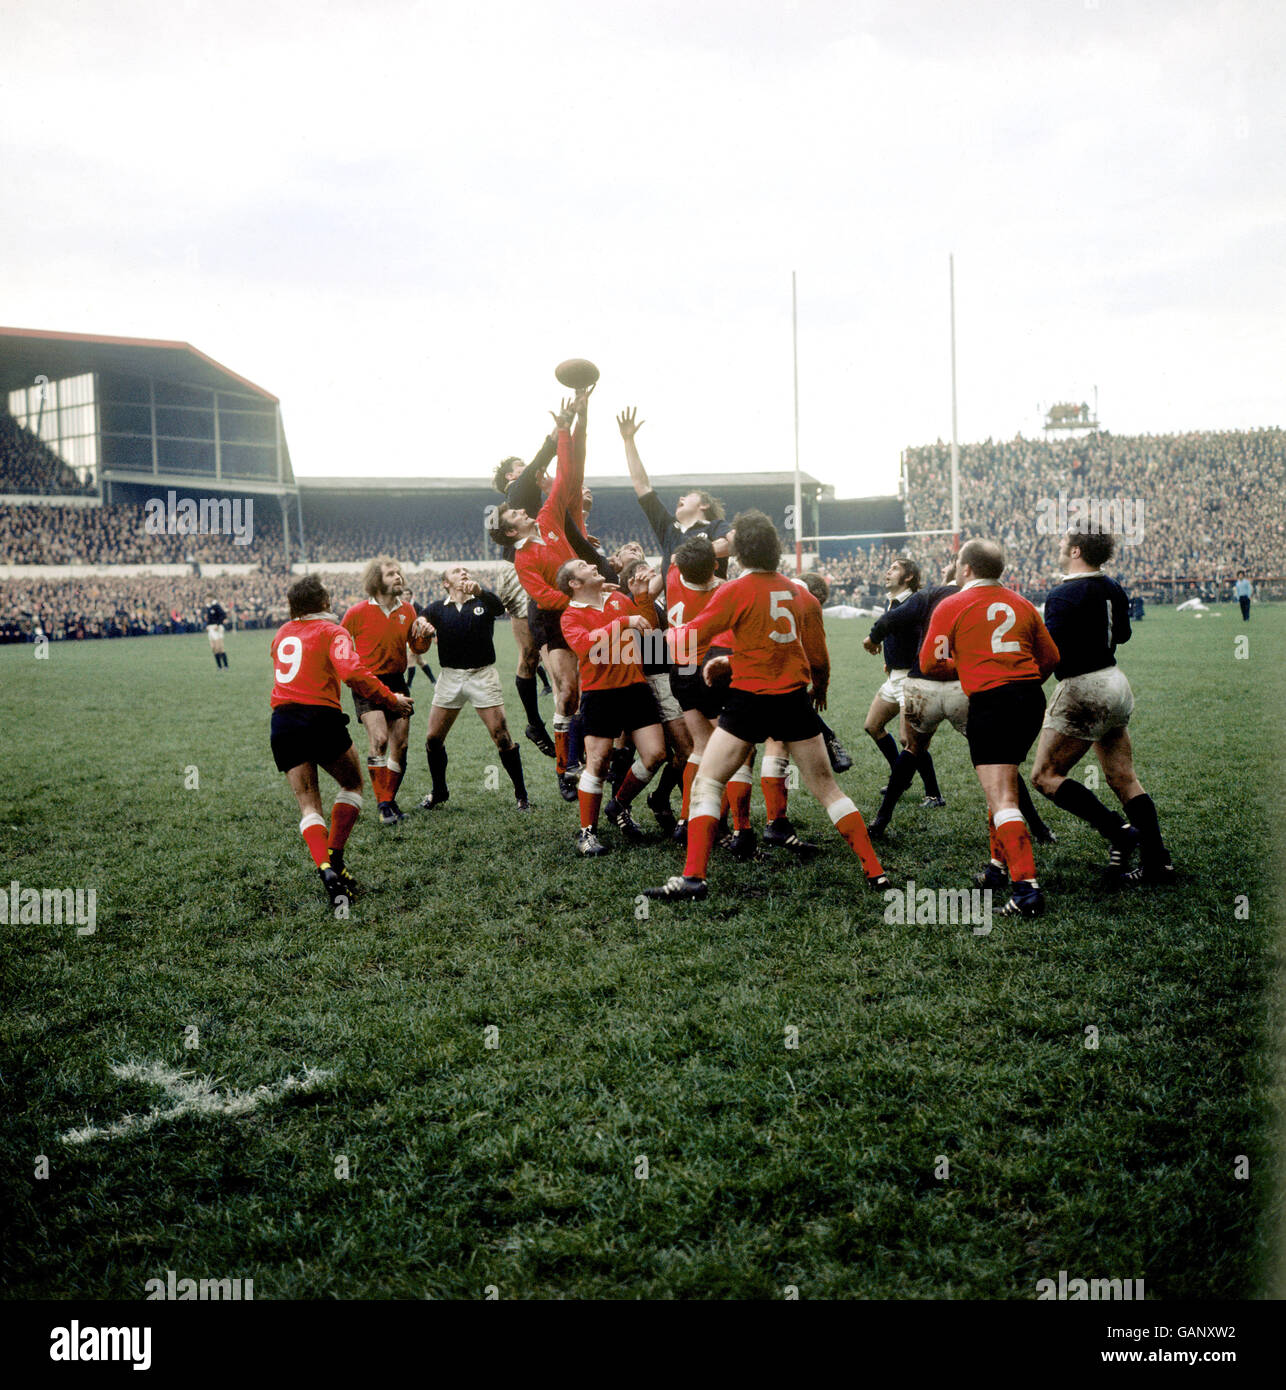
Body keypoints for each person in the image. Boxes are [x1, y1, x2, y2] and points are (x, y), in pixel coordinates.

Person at [643, 511, 888, 902]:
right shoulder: (802, 594)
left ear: (738, 554)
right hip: (793, 699)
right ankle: (875, 872)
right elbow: (818, 658)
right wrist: (819, 688)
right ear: (778, 550)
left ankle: (693, 878)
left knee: (709, 780)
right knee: (828, 789)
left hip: (748, 702)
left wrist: (645, 645)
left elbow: (693, 636)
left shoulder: (734, 590)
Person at [864, 560, 1055, 842]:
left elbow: (893, 621)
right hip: (961, 686)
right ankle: (1038, 828)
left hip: (922, 683)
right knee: (997, 759)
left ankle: (881, 819)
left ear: (958, 572)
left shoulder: (929, 595)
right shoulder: (985, 598)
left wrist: (872, 638)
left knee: (912, 748)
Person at [920, 538, 1059, 919]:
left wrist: (967, 668)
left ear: (966, 569)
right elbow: (1050, 657)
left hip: (992, 703)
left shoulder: (952, 603)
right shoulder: (1022, 603)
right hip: (1030, 699)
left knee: (1000, 794)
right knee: (1001, 784)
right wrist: (1023, 679)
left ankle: (1027, 889)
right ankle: (998, 866)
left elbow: (929, 663)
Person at [1030, 531, 1175, 886]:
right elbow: (1122, 635)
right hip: (1115, 682)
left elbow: (1050, 653)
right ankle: (1158, 861)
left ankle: (1117, 831)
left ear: (1076, 550)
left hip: (1083, 689)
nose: (1059, 548)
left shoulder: (1063, 593)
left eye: (1064, 543)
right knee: (1123, 777)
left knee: (1045, 776)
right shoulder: (1113, 586)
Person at [269, 573, 413, 909]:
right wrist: (391, 699)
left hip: (283, 721)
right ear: (323, 602)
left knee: (308, 802)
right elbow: (351, 672)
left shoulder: (281, 634)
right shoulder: (333, 631)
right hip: (320, 717)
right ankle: (335, 858)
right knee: (351, 784)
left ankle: (325, 869)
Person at [489, 390, 591, 801]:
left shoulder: (547, 518)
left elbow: (566, 476)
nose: (522, 510)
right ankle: (565, 768)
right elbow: (545, 596)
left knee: (588, 692)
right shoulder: (522, 557)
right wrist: (579, 602)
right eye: (516, 514)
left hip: (585, 608)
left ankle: (592, 758)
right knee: (567, 691)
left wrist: (567, 430)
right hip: (555, 618)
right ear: (511, 529)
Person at [557, 556, 668, 856]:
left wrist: (643, 599)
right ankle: (587, 834)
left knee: (656, 754)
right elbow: (585, 646)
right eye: (582, 566)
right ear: (574, 584)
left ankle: (618, 804)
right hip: (600, 693)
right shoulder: (570, 615)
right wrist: (622, 622)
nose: (592, 566)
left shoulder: (619, 598)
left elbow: (649, 630)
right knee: (598, 760)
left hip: (635, 687)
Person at [416, 566, 531, 812]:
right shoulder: (438, 608)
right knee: (433, 739)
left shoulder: (482, 601)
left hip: (482, 675)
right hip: (450, 677)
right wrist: (422, 625)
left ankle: (521, 795)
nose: (463, 573)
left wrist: (480, 591)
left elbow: (500, 609)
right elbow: (421, 618)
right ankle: (439, 791)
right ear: (445, 582)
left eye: (466, 571)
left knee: (501, 735)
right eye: (456, 572)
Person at [341, 557, 425, 825]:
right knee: (379, 740)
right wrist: (352, 668)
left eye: (399, 573)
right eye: (391, 574)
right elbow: (339, 644)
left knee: (400, 744)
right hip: (367, 682)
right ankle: (384, 805)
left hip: (397, 680)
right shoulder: (356, 612)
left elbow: (417, 648)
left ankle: (388, 800)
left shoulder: (409, 610)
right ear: (377, 580)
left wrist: (425, 637)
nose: (398, 577)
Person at [862, 557, 927, 787]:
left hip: (910, 678)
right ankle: (899, 777)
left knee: (908, 739)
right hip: (894, 677)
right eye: (888, 568)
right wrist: (889, 658)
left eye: (895, 568)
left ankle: (934, 794)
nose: (888, 572)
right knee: (872, 725)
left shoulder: (914, 602)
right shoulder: (892, 601)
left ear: (908, 577)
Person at [400, 586, 436, 690]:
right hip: (409, 636)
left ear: (411, 595)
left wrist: (433, 635)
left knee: (410, 658)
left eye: (408, 594)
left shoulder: (417, 607)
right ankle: (433, 680)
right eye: (404, 594)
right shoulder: (402, 606)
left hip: (418, 638)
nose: (406, 596)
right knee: (420, 661)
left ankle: (409, 685)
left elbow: (426, 621)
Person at [205, 597, 228, 669]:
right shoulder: (208, 607)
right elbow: (209, 619)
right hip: (211, 629)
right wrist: (207, 626)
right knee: (213, 648)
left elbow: (223, 615)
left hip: (217, 628)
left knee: (219, 648)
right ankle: (219, 666)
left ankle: (226, 665)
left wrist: (218, 624)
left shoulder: (216, 606)